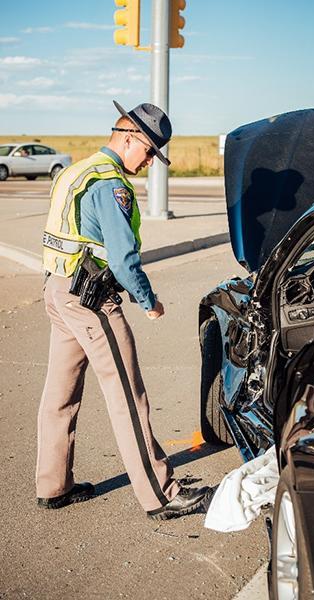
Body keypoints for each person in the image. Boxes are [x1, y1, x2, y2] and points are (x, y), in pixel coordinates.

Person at [36, 100, 210, 519]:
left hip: (59, 291)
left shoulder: (79, 170)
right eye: (149, 151)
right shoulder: (110, 184)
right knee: (129, 396)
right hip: (92, 299)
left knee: (59, 394)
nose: (151, 162)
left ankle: (53, 485)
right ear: (129, 137)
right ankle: (161, 494)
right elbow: (122, 256)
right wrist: (148, 300)